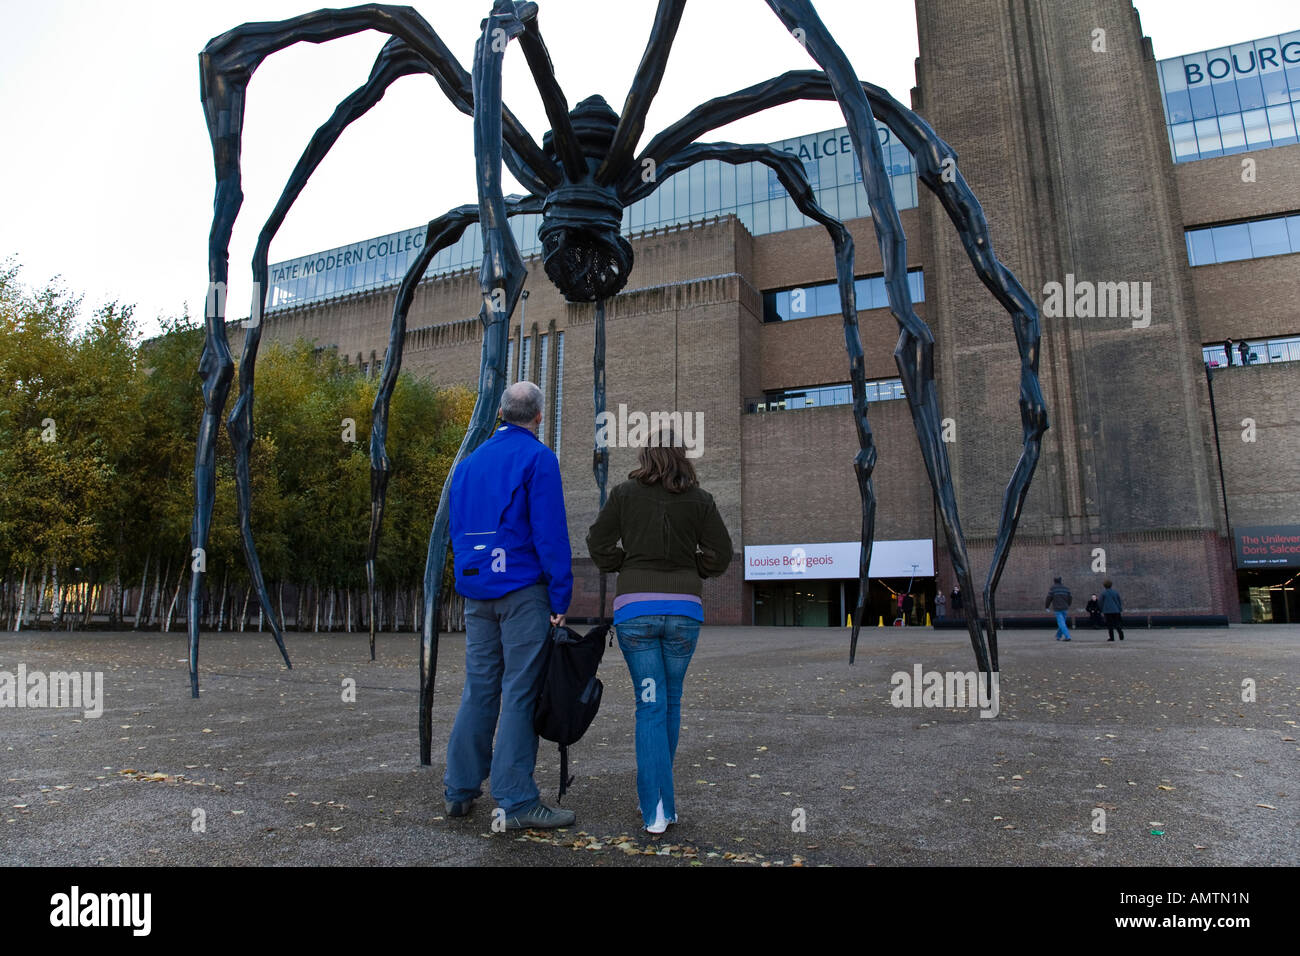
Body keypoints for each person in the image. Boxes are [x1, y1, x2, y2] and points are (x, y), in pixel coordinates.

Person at [586, 427, 732, 834]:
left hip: (637, 614)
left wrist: (626, 564)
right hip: (684, 614)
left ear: (646, 456)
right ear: (682, 457)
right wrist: (692, 571)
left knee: (650, 704)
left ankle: (656, 809)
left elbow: (597, 545)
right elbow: (721, 553)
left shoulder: (623, 494)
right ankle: (661, 802)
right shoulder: (701, 501)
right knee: (669, 702)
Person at [443, 381, 575, 830]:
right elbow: (550, 534)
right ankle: (516, 799)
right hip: (523, 591)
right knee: (520, 690)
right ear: (538, 417)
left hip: (478, 591)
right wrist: (561, 597)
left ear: (500, 413)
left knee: (479, 688)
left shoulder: (467, 464)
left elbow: (455, 530)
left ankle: (459, 789)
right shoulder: (539, 459)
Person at [1045, 576, 1072, 641]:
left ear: (1054, 581)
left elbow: (1048, 598)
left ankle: (1067, 636)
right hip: (1065, 608)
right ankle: (1058, 636)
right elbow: (1070, 597)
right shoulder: (1066, 588)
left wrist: (1047, 607)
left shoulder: (1053, 588)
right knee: (1062, 623)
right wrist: (1068, 604)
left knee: (1061, 623)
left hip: (1057, 608)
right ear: (1061, 581)